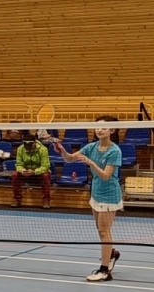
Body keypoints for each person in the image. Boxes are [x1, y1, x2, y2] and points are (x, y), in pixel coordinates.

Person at [48, 119, 122, 282]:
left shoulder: (114, 151)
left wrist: (90, 162)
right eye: (97, 127)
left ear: (112, 130)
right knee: (100, 231)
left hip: (109, 194)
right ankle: (111, 254)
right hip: (96, 193)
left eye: (104, 128)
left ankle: (104, 271)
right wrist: (62, 150)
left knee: (104, 232)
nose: (100, 130)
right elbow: (69, 159)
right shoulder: (91, 147)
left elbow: (106, 176)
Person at [11, 133, 52, 209]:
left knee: (46, 175)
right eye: (26, 146)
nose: (28, 148)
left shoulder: (43, 149)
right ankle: (17, 200)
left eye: (29, 146)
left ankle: (46, 200)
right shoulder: (20, 149)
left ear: (34, 143)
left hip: (38, 174)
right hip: (25, 173)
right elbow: (18, 164)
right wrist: (22, 170)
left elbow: (45, 166)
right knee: (15, 175)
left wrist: (34, 171)